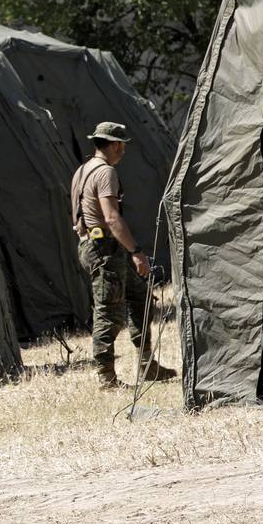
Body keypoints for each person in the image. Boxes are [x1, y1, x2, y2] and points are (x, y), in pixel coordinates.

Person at [70, 122, 177, 388]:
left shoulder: (82, 170)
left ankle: (147, 365)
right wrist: (136, 252)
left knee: (141, 296)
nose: (124, 151)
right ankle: (107, 378)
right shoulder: (106, 172)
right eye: (123, 145)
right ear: (115, 144)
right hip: (104, 249)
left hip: (98, 246)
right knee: (108, 313)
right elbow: (111, 217)